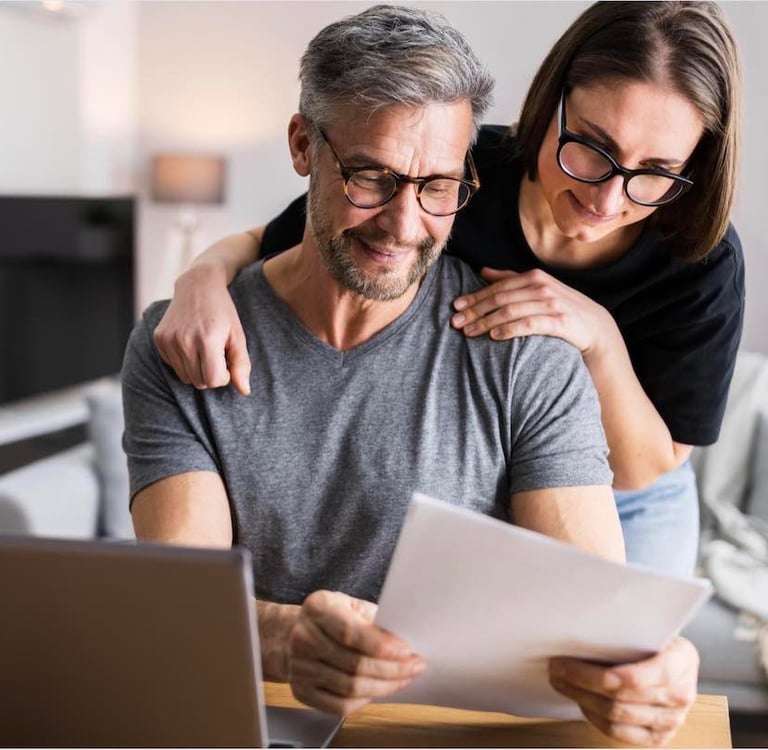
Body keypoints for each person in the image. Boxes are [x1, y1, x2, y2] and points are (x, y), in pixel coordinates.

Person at [125, 6, 699, 746]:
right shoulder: (185, 344)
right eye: (372, 177)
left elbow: (596, 625)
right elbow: (179, 604)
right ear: (304, 147)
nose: (403, 226)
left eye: (438, 187)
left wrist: (659, 665)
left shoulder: (528, 353)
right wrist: (284, 638)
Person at [154, 0, 745, 580]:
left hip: (630, 496)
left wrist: (600, 339)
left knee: (625, 655)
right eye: (593, 149)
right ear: (552, 104)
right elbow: (277, 238)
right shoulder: (449, 166)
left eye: (655, 173)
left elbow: (647, 467)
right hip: (500, 465)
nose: (608, 199)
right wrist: (199, 279)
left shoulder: (701, 256)